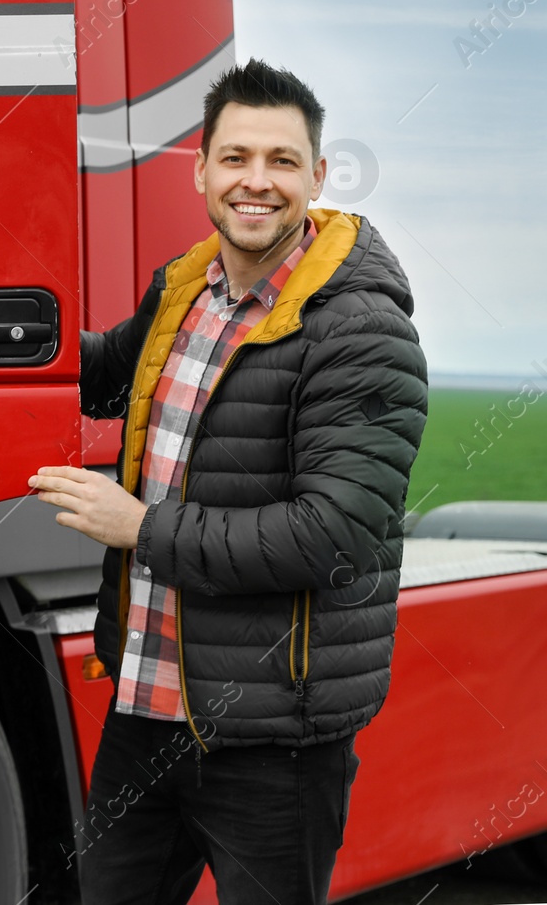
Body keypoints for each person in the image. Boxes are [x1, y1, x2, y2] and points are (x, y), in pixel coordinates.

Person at [26, 59, 428, 904]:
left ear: (317, 177)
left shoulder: (360, 329)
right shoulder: (183, 288)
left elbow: (334, 535)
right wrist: (18, 328)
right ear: (201, 169)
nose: (258, 181)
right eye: (236, 156)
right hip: (145, 710)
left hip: (272, 740)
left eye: (282, 161)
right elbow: (109, 377)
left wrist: (141, 529)